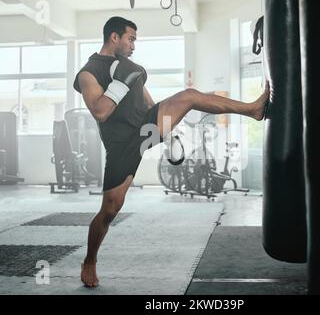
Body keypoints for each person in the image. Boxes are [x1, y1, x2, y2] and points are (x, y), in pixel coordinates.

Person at [74, 16, 270, 288]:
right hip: (122, 145)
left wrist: (168, 133)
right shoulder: (89, 72)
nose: (133, 45)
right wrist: (121, 82)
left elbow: (146, 100)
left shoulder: (130, 67)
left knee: (189, 95)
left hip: (146, 130)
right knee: (110, 209)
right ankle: (90, 260)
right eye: (130, 39)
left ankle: (252, 109)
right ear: (114, 37)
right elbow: (100, 112)